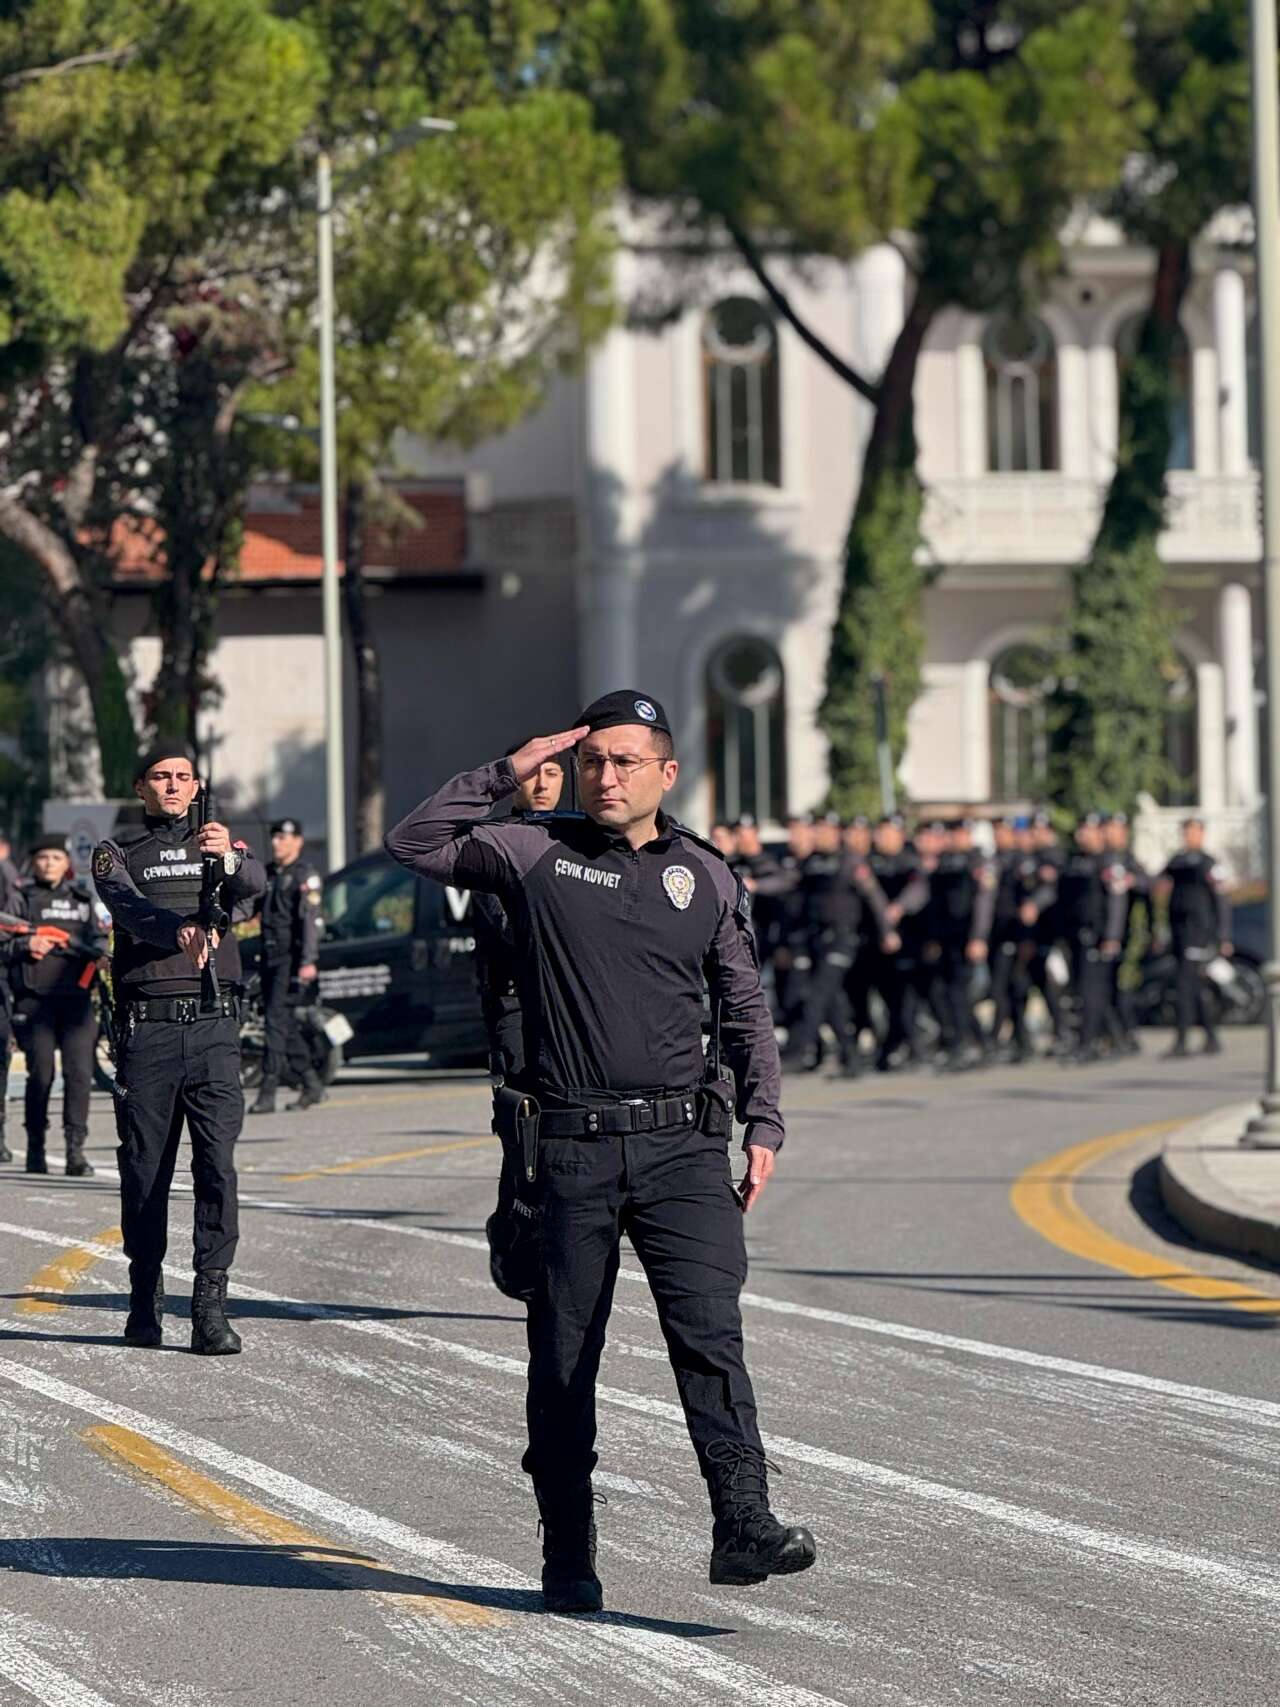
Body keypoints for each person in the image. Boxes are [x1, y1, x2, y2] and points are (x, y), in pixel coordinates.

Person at [385, 690, 815, 1613]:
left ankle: (744, 1522)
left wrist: (764, 1123)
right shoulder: (534, 852)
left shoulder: (704, 875)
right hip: (569, 1153)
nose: (606, 776)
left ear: (667, 772)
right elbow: (412, 842)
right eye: (593, 761)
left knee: (710, 1337)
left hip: (683, 1151)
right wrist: (509, 769)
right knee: (565, 1358)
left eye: (626, 761)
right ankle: (569, 1551)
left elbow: (744, 1011)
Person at [93, 747, 266, 1354]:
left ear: (197, 787)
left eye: (183, 777)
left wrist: (231, 858)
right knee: (145, 1172)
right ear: (141, 787)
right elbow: (128, 907)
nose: (173, 785)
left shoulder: (220, 847)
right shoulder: (119, 854)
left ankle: (209, 1308)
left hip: (216, 1029)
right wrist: (177, 930)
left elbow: (255, 889)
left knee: (217, 1168)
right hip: (150, 1033)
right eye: (161, 776)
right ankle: (145, 1300)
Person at [8, 836, 107, 1175]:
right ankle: (36, 1146)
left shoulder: (81, 901)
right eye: (43, 856)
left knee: (79, 1075)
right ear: (33, 861)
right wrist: (26, 943)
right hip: (36, 1003)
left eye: (56, 857)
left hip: (76, 1002)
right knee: (41, 1075)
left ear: (67, 863)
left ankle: (74, 1151)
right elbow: (5, 943)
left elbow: (97, 942)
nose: (49, 863)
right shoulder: (20, 899)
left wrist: (87, 949)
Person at [473, 744, 567, 1081]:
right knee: (522, 1106)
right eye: (531, 773)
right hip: (516, 998)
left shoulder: (578, 839)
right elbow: (505, 923)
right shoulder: (492, 841)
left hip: (571, 998)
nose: (542, 785)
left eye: (552, 774)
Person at [781, 813, 892, 1076]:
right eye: (817, 830)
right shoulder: (811, 862)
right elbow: (791, 892)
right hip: (816, 938)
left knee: (818, 994)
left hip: (842, 938)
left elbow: (874, 898)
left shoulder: (850, 861)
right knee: (830, 1000)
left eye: (826, 830)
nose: (820, 835)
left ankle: (800, 1050)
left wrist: (887, 930)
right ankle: (851, 1056)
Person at [248, 818, 324, 1115]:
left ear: (298, 842)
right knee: (284, 1024)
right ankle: (311, 1082)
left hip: (290, 960)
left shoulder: (305, 876)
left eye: (284, 837)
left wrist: (308, 961)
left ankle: (267, 1091)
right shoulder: (267, 874)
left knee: (275, 1024)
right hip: (268, 956)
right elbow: (248, 909)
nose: (278, 843)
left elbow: (310, 922)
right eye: (276, 837)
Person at [1157, 819, 1233, 1058]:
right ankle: (1211, 1036)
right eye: (1186, 832)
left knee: (1185, 984)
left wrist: (1223, 935)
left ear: (1202, 834)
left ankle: (1182, 1039)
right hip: (1178, 931)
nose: (1189, 836)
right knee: (1194, 986)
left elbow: (1221, 900)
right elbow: (1159, 884)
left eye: (1193, 832)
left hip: (1198, 931)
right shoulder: (1176, 861)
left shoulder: (1208, 863)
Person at [1057, 815, 1129, 1063]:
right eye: (1081, 830)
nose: (1082, 835)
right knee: (1084, 991)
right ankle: (1114, 1040)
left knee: (1091, 992)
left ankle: (1088, 1043)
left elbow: (1116, 902)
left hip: (1097, 935)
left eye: (1088, 830)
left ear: (1100, 834)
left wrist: (1112, 935)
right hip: (1075, 935)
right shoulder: (1075, 862)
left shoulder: (1109, 863)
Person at [866, 816, 928, 1070]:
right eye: (879, 833)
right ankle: (893, 1046)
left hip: (907, 940)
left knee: (904, 1000)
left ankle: (910, 1046)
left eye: (887, 833)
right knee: (887, 997)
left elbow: (918, 892)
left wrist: (899, 908)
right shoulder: (871, 861)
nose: (881, 838)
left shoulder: (909, 862)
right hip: (877, 940)